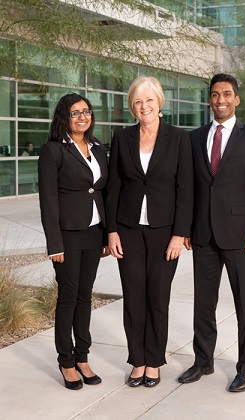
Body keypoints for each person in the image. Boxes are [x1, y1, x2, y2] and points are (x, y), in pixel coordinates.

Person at [178, 73, 245, 392]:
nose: (221, 100)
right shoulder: (194, 138)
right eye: (216, 95)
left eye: (227, 94)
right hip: (203, 234)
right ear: (210, 99)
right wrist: (188, 228)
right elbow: (190, 188)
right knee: (203, 304)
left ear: (237, 99)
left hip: (241, 235)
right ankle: (203, 361)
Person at [105, 76, 193, 387]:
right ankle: (137, 360)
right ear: (132, 107)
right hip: (128, 229)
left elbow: (186, 189)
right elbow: (113, 186)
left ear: (160, 103)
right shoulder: (122, 138)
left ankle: (154, 360)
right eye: (139, 102)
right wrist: (111, 232)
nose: (145, 106)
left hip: (164, 230)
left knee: (157, 295)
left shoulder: (179, 139)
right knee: (133, 296)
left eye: (150, 100)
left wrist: (179, 234)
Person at [38, 93, 109, 390]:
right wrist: (54, 244)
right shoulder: (53, 151)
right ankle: (65, 360)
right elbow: (48, 201)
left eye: (86, 111)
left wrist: (106, 235)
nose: (82, 117)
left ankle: (83, 356)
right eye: (75, 113)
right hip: (67, 235)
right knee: (68, 298)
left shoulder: (98, 148)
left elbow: (102, 192)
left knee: (85, 296)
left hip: (94, 233)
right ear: (64, 117)